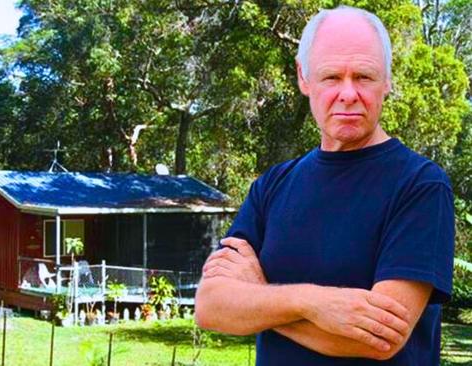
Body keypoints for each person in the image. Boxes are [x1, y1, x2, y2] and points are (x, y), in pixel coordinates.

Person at [194, 5, 454, 365]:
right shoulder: (272, 186)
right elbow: (211, 306)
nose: (348, 93)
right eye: (332, 77)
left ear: (388, 80)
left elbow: (381, 338)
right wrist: (313, 305)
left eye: (363, 76)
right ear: (304, 78)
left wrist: (259, 297)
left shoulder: (420, 185)